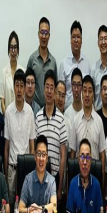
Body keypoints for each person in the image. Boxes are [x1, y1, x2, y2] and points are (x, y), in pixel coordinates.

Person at [4, 69, 36, 212]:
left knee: (25, 206)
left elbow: (32, 145)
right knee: (11, 207)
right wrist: (6, 173)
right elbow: (6, 146)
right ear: (13, 87)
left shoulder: (30, 112)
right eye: (16, 85)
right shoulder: (8, 111)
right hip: (12, 168)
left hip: (26, 168)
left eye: (21, 86)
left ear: (24, 88)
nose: (19, 89)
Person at [35, 70, 67, 201]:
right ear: (43, 90)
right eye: (47, 87)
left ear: (54, 92)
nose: (49, 91)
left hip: (55, 177)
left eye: (51, 88)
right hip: (40, 177)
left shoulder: (61, 119)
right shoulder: (38, 117)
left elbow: (63, 155)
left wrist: (60, 187)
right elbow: (35, 151)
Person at [72, 75, 106, 190]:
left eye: (90, 91)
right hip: (79, 174)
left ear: (93, 95)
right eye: (84, 90)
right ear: (81, 93)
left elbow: (102, 154)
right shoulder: (76, 120)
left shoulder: (99, 121)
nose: (87, 94)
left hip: (95, 175)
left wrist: (102, 179)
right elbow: (73, 152)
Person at [18, 135, 57, 213]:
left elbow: (54, 206)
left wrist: (40, 209)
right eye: (39, 154)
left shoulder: (52, 180)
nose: (41, 158)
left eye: (44, 154)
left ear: (47, 158)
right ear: (35, 156)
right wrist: (29, 210)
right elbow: (20, 209)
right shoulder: (28, 179)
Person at [66, 138, 103, 213]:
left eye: (87, 157)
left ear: (91, 160)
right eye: (82, 157)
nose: (85, 162)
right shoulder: (73, 183)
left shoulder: (96, 184)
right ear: (78, 159)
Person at [59, 20, 90, 110]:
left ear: (81, 40)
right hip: (68, 112)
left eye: (78, 37)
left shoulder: (86, 63)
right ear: (70, 40)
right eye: (73, 37)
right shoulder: (64, 63)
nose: (76, 40)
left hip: (84, 112)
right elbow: (60, 93)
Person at [27, 17, 58, 108]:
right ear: (38, 34)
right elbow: (27, 84)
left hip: (49, 107)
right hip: (34, 108)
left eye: (46, 33)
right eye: (42, 32)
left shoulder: (53, 62)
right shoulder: (32, 59)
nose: (44, 36)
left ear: (49, 35)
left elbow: (55, 87)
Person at [0, 31, 23, 115]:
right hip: (7, 117)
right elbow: (2, 101)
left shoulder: (23, 71)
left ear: (18, 49)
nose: (13, 50)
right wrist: (7, 117)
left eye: (15, 47)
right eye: (11, 47)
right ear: (8, 49)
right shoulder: (3, 72)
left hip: (21, 116)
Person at [64, 68, 83, 154]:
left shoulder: (87, 111)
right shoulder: (67, 114)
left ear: (82, 87)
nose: (76, 89)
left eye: (79, 85)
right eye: (74, 84)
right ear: (71, 87)